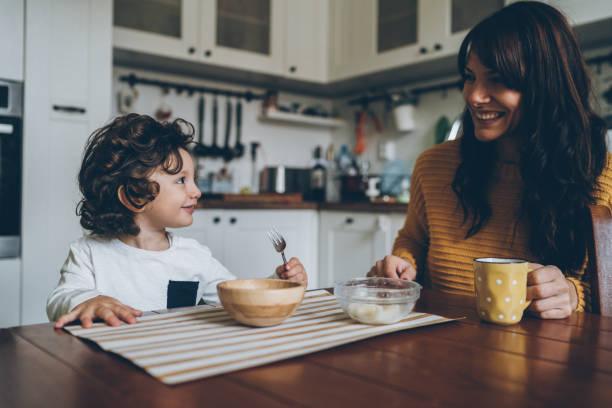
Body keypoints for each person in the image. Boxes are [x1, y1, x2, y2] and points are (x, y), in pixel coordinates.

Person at [367, 1, 612, 318]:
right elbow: (413, 240)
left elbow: (603, 294)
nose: (473, 96)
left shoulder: (600, 175)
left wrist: (571, 295)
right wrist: (402, 264)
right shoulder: (433, 166)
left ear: (546, 87)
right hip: (438, 350)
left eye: (497, 79)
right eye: (470, 77)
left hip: (543, 361)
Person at [47, 114, 307, 328]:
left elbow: (236, 297)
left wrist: (279, 282)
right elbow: (60, 299)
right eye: (181, 180)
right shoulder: (88, 254)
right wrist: (91, 301)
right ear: (133, 194)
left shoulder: (194, 257)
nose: (196, 191)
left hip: (176, 362)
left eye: (193, 179)